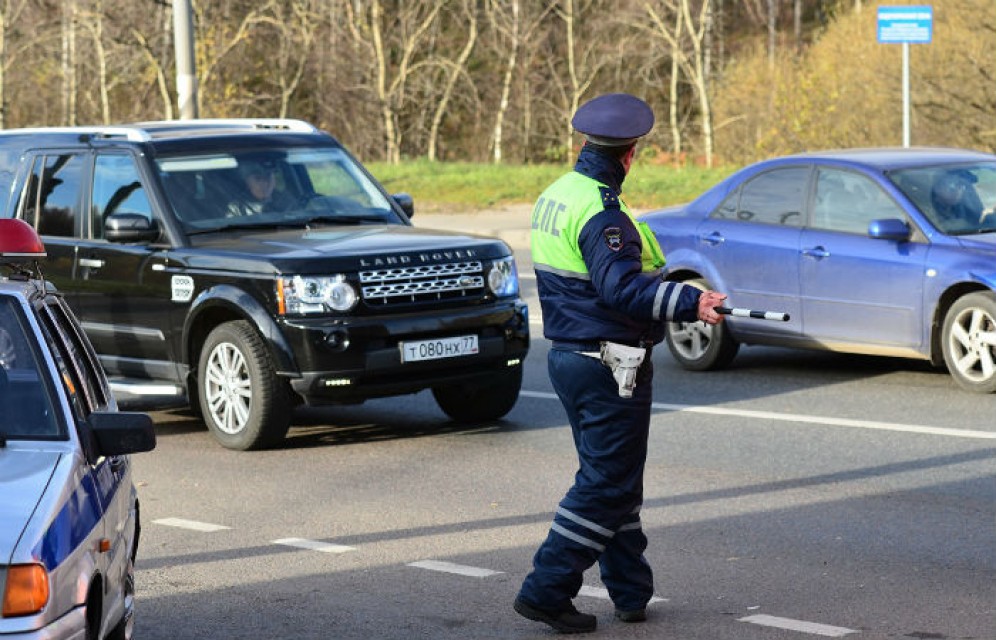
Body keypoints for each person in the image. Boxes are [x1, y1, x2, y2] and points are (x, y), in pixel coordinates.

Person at [514, 93, 727, 634]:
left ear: (585, 143)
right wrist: (690, 302)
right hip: (610, 362)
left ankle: (631, 593)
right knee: (606, 486)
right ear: (630, 154)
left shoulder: (559, 193)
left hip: (569, 356)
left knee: (613, 480)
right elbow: (621, 289)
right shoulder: (604, 211)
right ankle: (546, 589)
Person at [226, 157, 297, 217]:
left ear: (274, 180)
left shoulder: (287, 202)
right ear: (247, 183)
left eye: (268, 176)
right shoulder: (236, 208)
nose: (265, 183)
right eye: (258, 178)